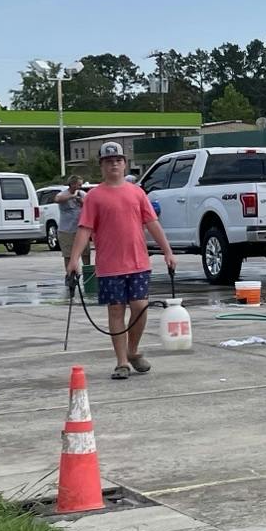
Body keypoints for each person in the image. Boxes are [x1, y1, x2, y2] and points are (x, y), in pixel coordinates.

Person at [65, 141, 178, 380]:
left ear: (125, 164)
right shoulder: (94, 197)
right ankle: (122, 362)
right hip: (109, 266)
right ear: (102, 166)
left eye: (118, 160)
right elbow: (85, 229)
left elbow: (152, 223)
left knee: (139, 307)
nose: (114, 165)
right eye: (108, 161)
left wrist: (167, 251)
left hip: (138, 263)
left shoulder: (137, 193)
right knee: (116, 310)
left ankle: (133, 350)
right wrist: (74, 259)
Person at [52, 174, 91, 269]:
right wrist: (72, 196)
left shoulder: (82, 194)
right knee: (68, 254)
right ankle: (71, 274)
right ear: (72, 184)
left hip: (81, 229)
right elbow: (57, 199)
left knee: (85, 253)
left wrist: (81, 202)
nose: (80, 187)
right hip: (66, 230)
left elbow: (90, 205)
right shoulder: (63, 194)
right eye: (79, 184)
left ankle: (87, 271)